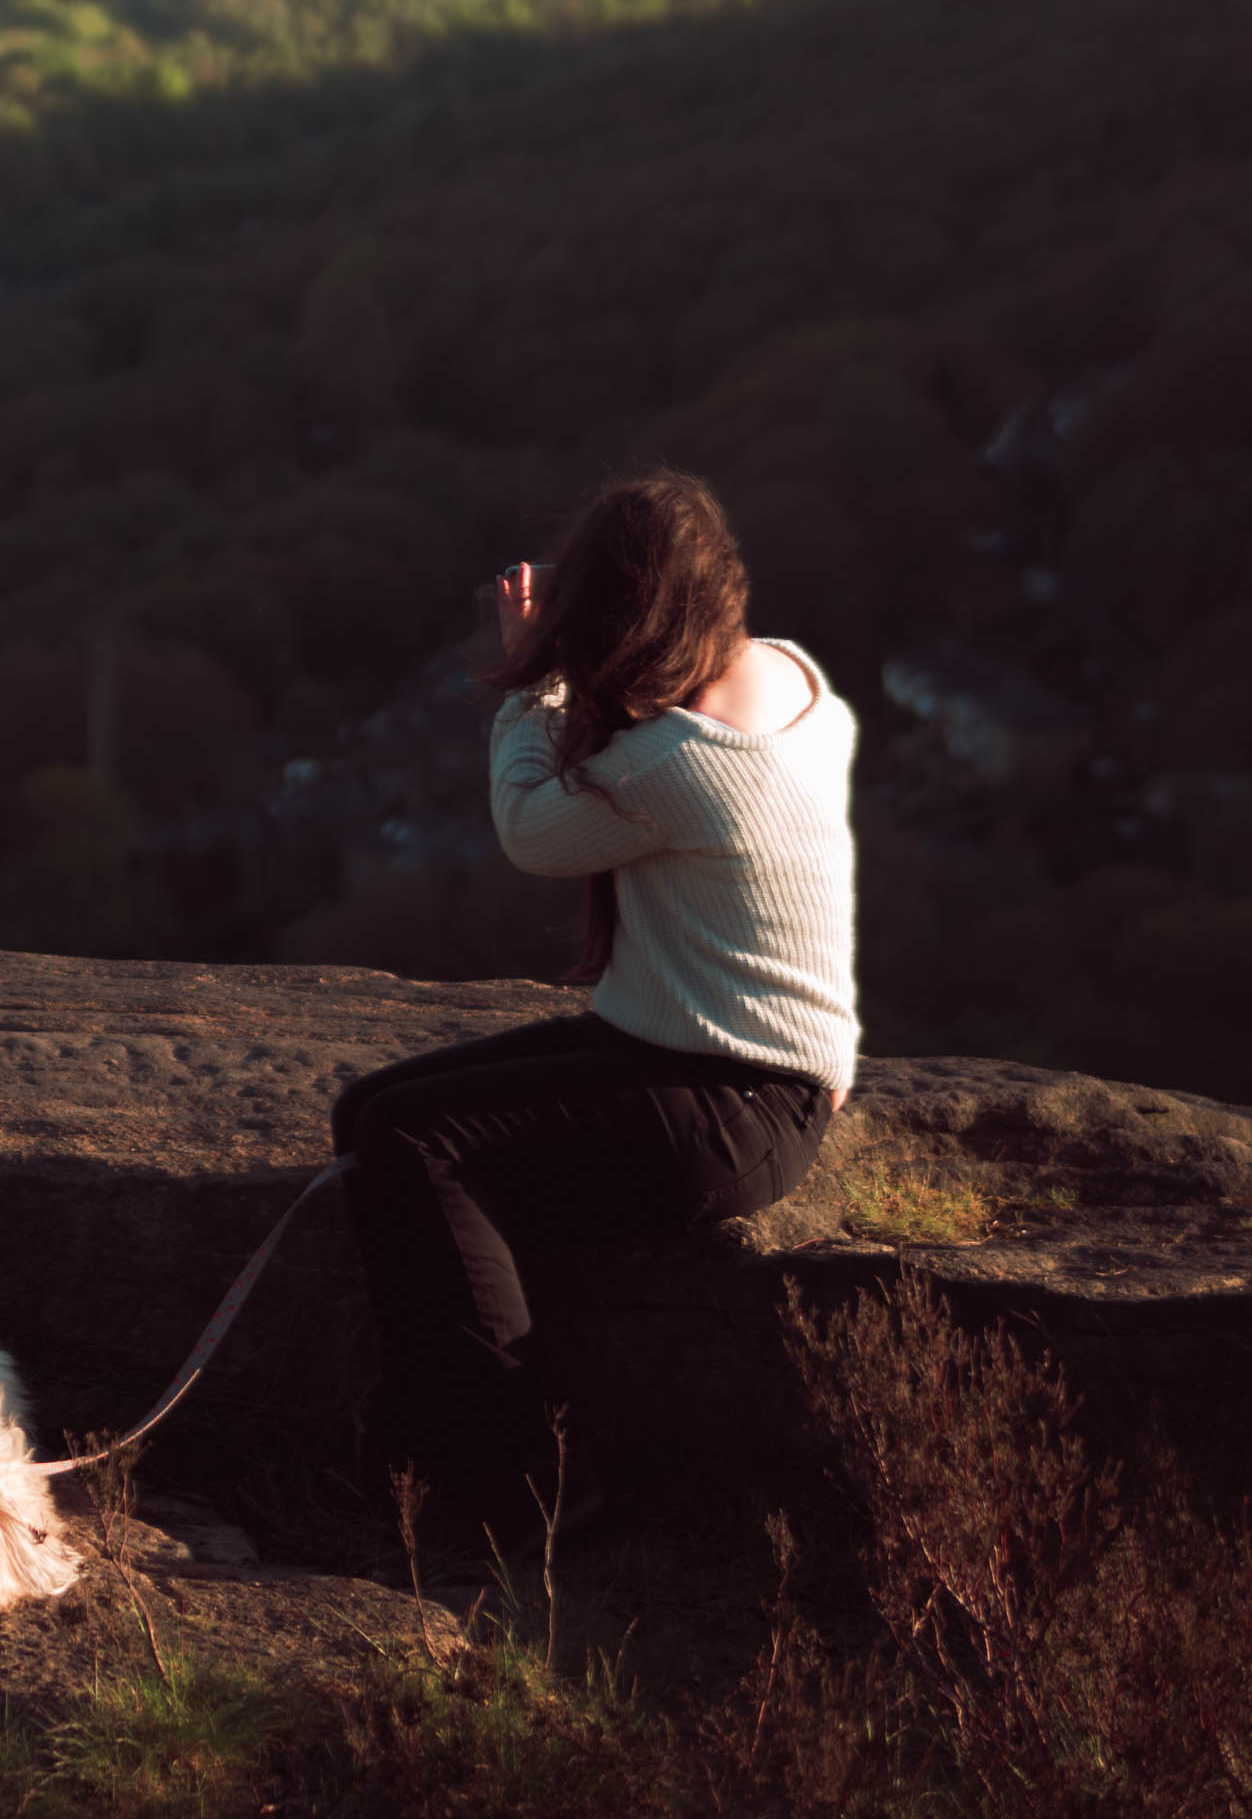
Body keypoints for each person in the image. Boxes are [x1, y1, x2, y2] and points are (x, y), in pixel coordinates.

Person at [328, 469, 856, 1561]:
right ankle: (424, 1440)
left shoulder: (683, 760)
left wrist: (541, 680)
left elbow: (530, 829)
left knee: (413, 1141)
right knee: (370, 1112)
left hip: (733, 1099)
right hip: (709, 1058)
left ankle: (518, 1486)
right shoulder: (788, 673)